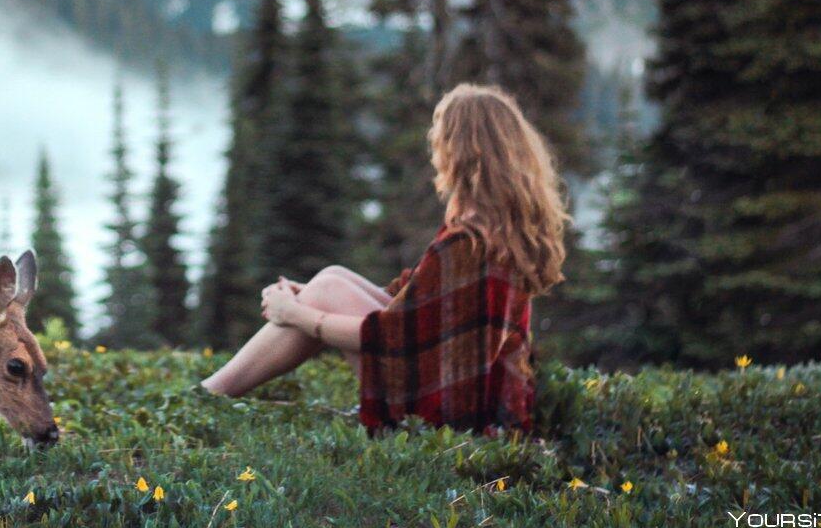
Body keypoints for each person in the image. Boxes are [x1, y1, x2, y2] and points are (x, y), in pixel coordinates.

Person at [200, 84, 570, 435]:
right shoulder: (502, 230)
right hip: (478, 397)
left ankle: (206, 397)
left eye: (440, 139)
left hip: (449, 415)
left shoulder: (468, 242)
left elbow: (391, 335)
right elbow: (419, 303)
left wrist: (295, 313)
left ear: (460, 152)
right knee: (330, 279)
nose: (434, 150)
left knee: (327, 289)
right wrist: (309, 293)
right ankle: (211, 392)